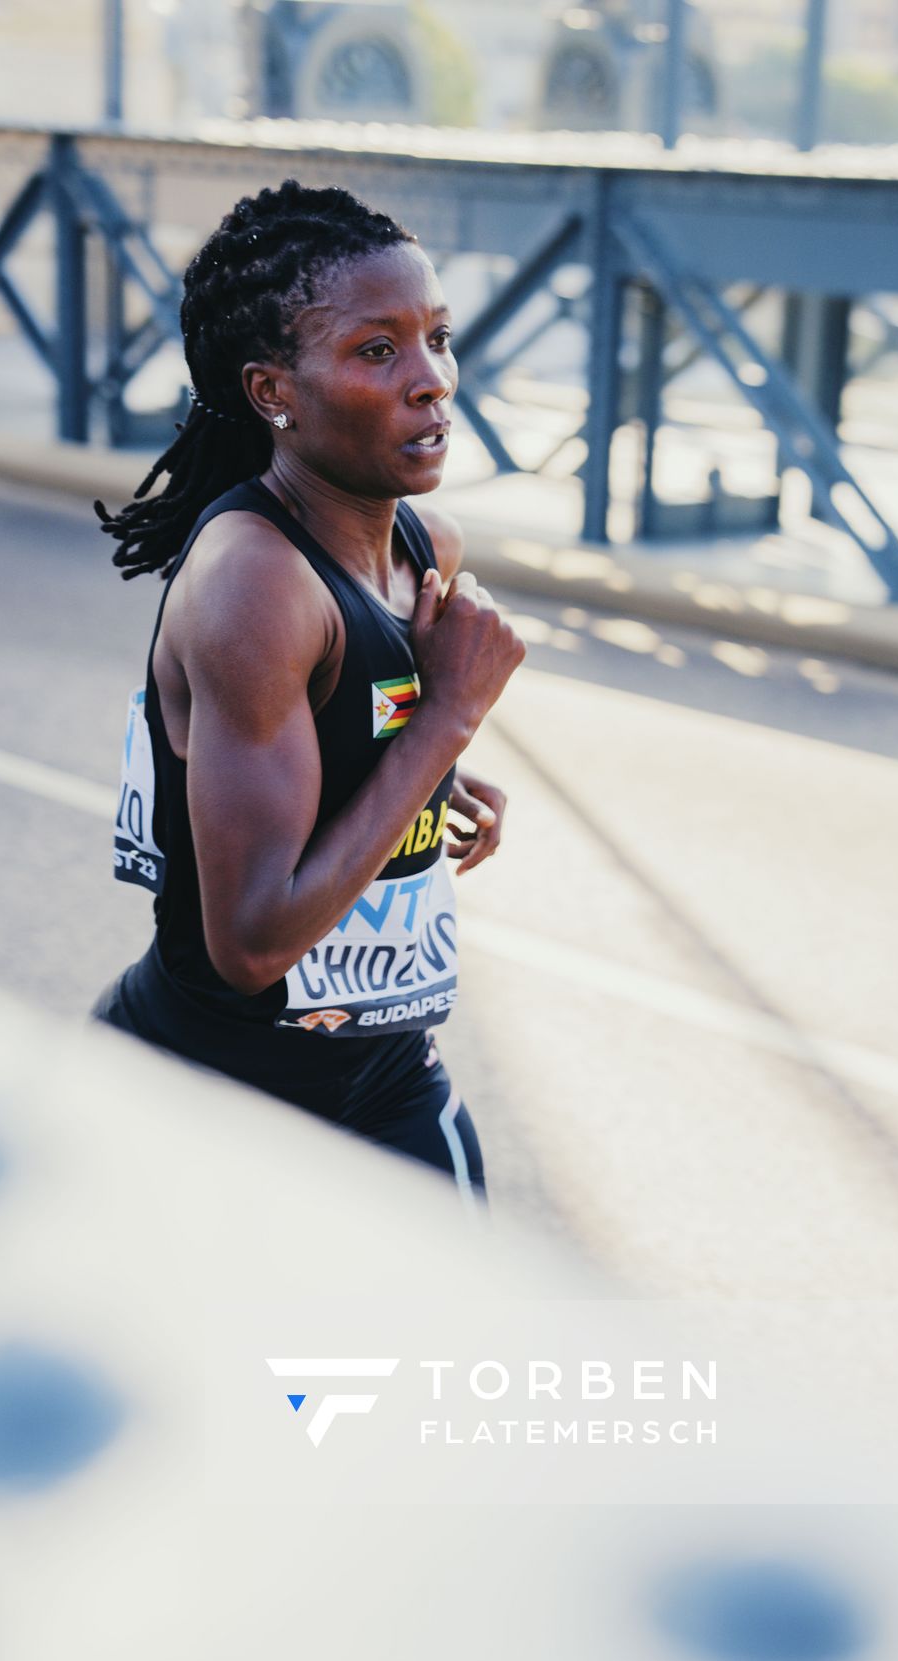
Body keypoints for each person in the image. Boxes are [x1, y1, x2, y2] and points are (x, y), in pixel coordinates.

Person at [90, 180, 525, 1198]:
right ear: (273, 392)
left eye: (437, 338)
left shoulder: (424, 546)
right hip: (207, 1100)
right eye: (377, 351)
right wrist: (445, 723)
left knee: (438, 1354)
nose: (431, 382)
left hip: (384, 1076)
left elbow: (343, 734)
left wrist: (431, 771)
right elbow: (250, 940)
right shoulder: (255, 583)